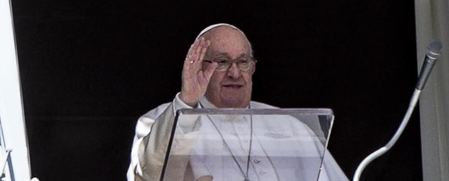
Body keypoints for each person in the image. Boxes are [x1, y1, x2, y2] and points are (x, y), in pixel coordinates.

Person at [128, 23, 348, 181]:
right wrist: (187, 101)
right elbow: (151, 174)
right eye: (222, 62)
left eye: (243, 62)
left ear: (252, 68)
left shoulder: (290, 126)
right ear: (199, 68)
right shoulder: (160, 119)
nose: (234, 73)